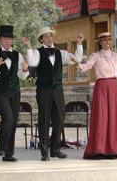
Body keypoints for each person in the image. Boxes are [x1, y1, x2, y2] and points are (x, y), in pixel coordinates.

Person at [21, 27, 84, 161]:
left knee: (60, 118)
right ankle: (44, 152)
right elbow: (31, 62)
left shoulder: (61, 53)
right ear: (41, 39)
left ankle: (55, 149)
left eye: (51, 36)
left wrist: (79, 43)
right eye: (46, 37)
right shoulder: (37, 53)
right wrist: (29, 47)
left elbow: (77, 58)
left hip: (58, 89)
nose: (49, 39)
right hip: (43, 90)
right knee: (44, 120)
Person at [0, 25, 29, 162]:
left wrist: (26, 70)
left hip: (15, 92)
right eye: (4, 39)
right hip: (0, 92)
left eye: (9, 39)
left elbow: (21, 76)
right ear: (0, 41)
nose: (7, 42)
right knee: (8, 118)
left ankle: (8, 154)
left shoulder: (18, 55)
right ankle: (1, 147)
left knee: (13, 121)